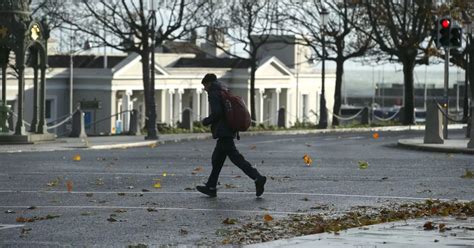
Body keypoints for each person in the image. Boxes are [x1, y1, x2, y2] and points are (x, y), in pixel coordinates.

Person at [196, 73, 267, 198]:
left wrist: (206, 121)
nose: (205, 89)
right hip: (228, 129)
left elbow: (217, 113)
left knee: (236, 158)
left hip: (224, 131)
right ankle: (211, 186)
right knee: (217, 160)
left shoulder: (214, 93)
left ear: (209, 83)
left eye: (205, 86)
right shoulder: (224, 89)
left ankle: (257, 177)